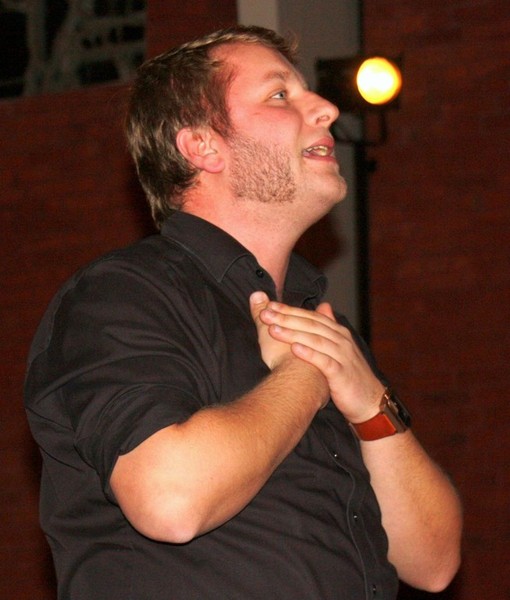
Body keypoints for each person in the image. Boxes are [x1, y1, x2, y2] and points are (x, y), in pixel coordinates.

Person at [24, 25, 462, 600]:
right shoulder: (122, 294)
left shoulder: (321, 325)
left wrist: (371, 408)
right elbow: (170, 500)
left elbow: (433, 562)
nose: (327, 109)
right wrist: (304, 375)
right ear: (202, 146)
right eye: (280, 94)